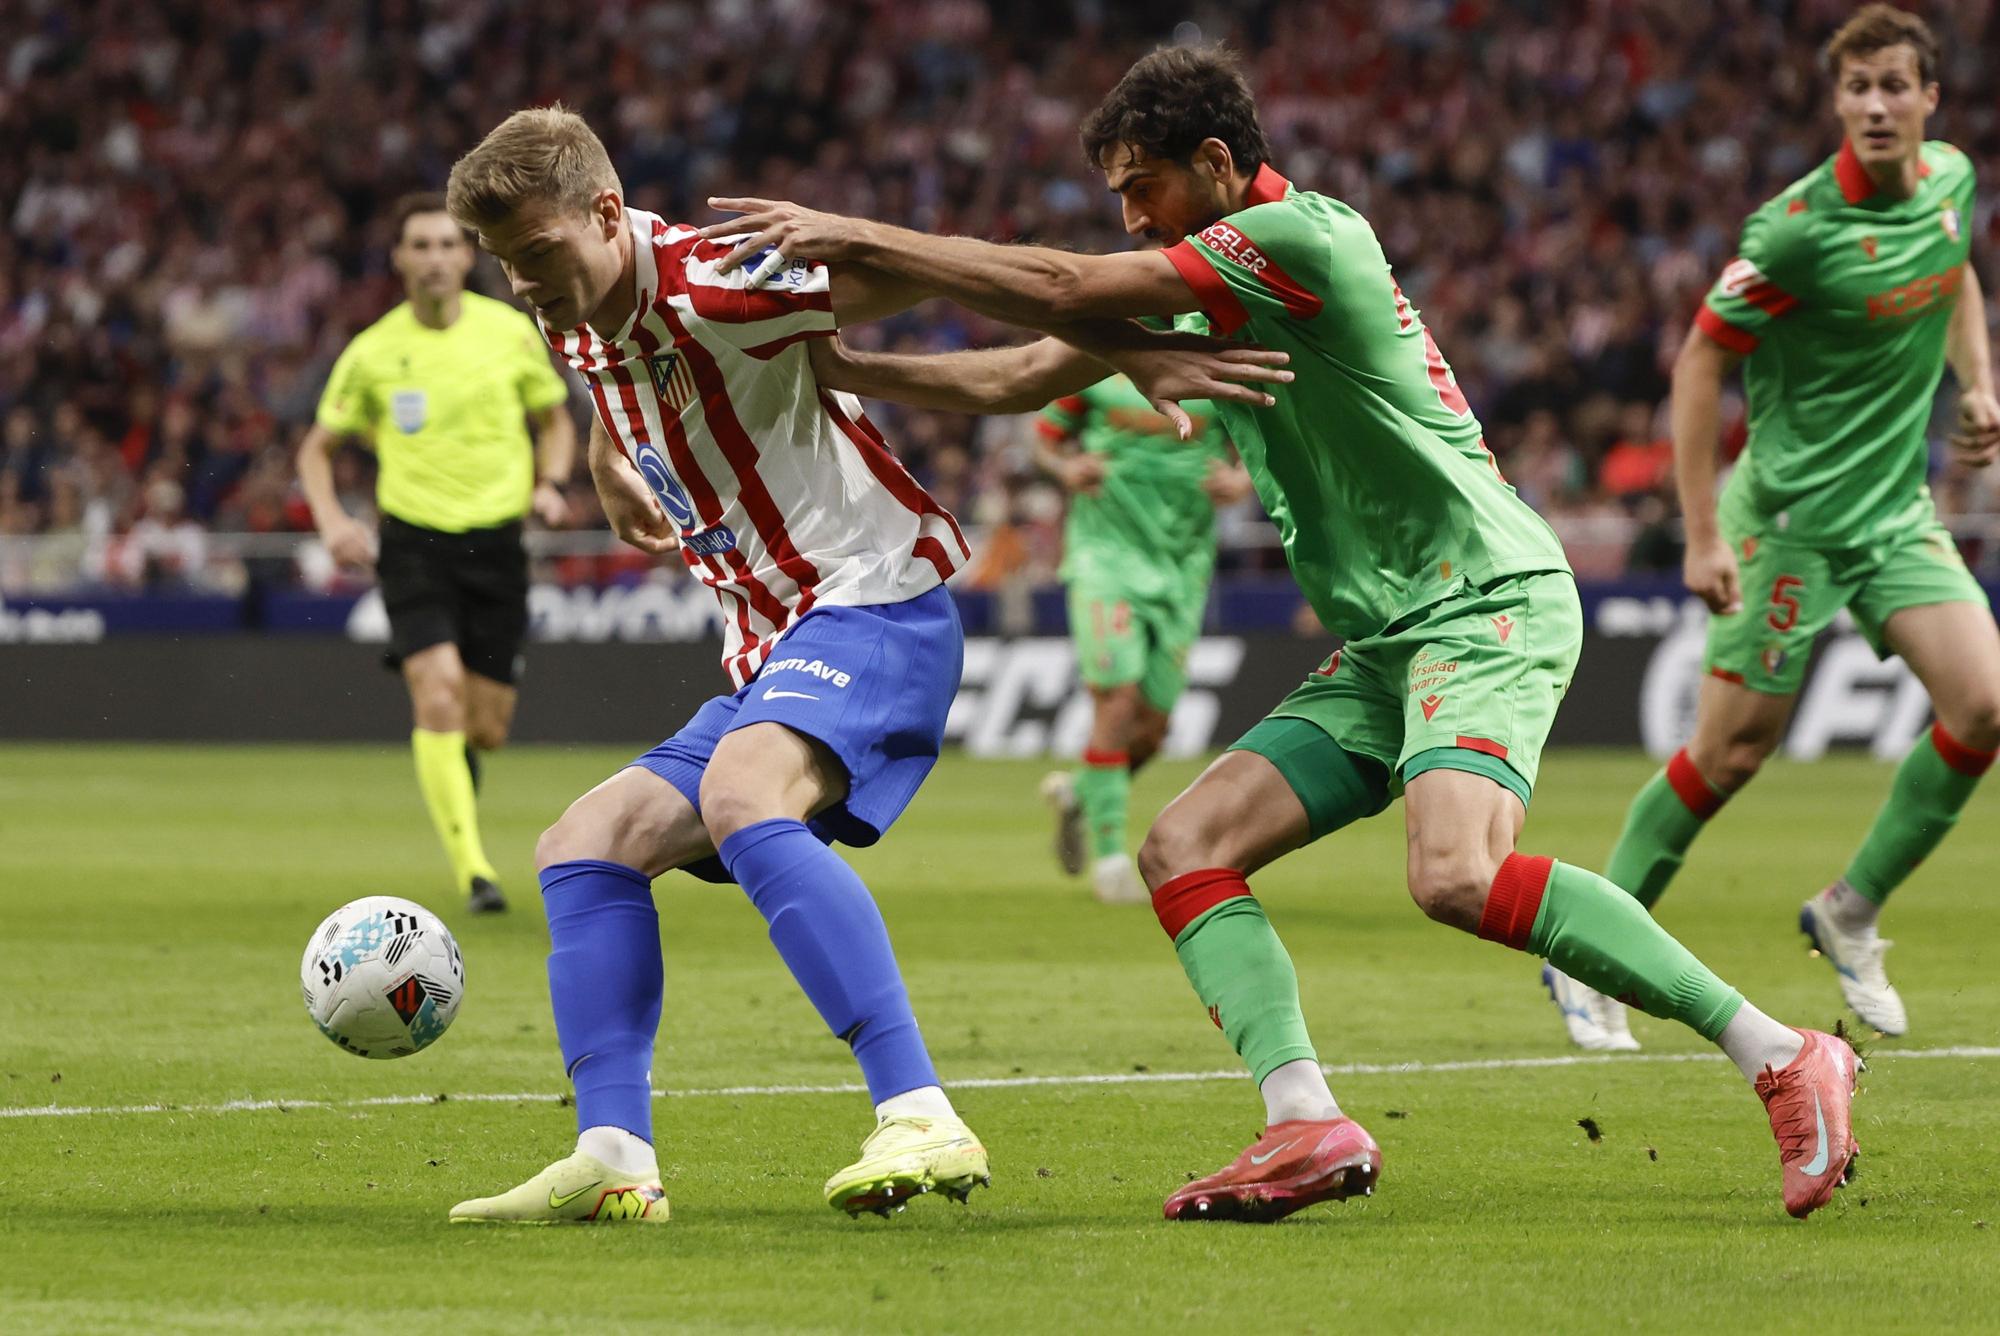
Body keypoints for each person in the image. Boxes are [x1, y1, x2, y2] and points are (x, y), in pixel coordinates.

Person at [702, 42, 1862, 1221]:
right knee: (1185, 846)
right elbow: (1016, 375)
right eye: (1114, 195)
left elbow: (1058, 290)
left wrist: (857, 235)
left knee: (1454, 871)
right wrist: (837, 369)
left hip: (1482, 596)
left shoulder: (1305, 238)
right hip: (1386, 637)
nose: (1126, 213)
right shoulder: (1206, 286)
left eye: (1139, 185)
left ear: (1214, 163)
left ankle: (1780, 1053)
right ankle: (1303, 1121)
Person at [437, 105, 1293, 1224]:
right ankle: (612, 1153)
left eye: (537, 257)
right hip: (772, 643)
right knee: (581, 845)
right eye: (507, 268)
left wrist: (1133, 349)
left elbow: (945, 285)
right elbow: (606, 368)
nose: (525, 287)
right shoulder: (575, 307)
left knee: (746, 796)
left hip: (874, 601)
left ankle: (921, 1111)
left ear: (606, 214)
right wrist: (608, 457)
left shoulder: (719, 284)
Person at [1558, 5, 2000, 1050]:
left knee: (1981, 704)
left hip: (1890, 514)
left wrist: (1977, 386)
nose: (1875, 106)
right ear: (1835, 101)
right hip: (1788, 524)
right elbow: (1700, 360)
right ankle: (1583, 952)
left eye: (1894, 85)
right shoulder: (1794, 229)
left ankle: (1847, 910)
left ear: (1928, 99)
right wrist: (1703, 534)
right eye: (1856, 89)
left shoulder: (1948, 182)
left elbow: (1954, 277)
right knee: (1728, 753)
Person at [298, 192, 576, 915]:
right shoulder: (373, 351)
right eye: (419, 246)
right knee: (439, 693)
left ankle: (456, 775)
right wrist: (331, 521)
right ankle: (474, 871)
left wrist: (550, 484)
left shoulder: (510, 334)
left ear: (468, 256)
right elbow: (316, 449)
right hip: (413, 544)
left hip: (497, 545)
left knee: (485, 727)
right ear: (398, 260)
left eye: (448, 245)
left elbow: (555, 420)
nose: (434, 259)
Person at [1034, 374, 1251, 904]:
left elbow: (1262, 448)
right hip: (1104, 557)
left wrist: (1243, 479)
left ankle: (1079, 794)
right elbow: (1043, 439)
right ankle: (1110, 860)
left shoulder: (1217, 373)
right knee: (1118, 699)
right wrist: (1066, 468)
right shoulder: (1094, 367)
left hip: (1183, 564)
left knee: (1153, 729)